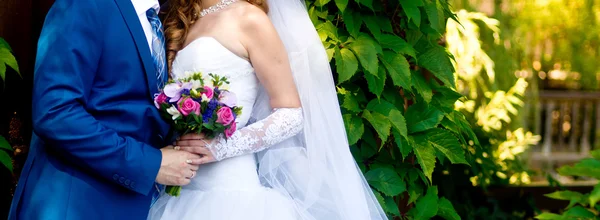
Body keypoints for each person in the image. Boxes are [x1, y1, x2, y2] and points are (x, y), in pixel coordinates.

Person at [148, 0, 388, 219]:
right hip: (178, 190)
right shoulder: (175, 21)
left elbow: (291, 114)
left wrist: (222, 147)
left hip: (232, 195)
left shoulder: (249, 19)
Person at [9, 0, 202, 219]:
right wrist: (149, 164)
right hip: (76, 203)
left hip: (134, 203)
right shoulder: (84, 5)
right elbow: (56, 113)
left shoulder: (163, 20)